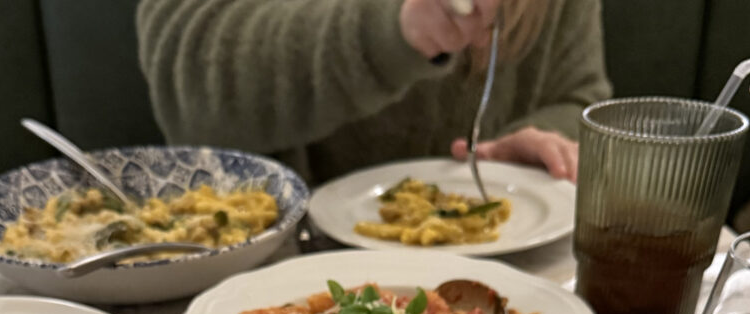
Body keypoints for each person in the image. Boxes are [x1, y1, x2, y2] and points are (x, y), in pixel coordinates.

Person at [136, 0, 611, 185]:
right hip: (277, 282)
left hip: (506, 283)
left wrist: (541, 142)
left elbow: (580, 100)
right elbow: (190, 92)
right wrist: (391, 33)